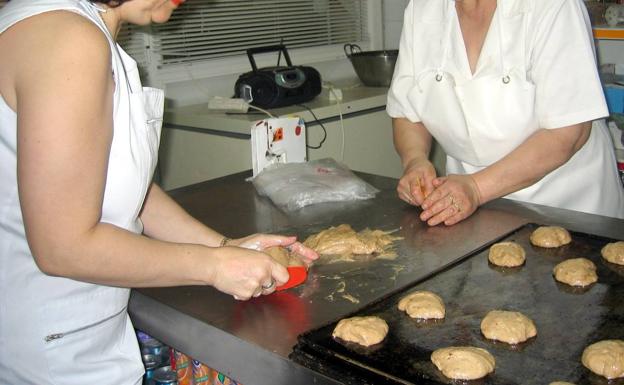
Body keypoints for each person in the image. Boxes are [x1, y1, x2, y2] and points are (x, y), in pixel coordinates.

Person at [0, 0, 318, 384]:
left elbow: (114, 184)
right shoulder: (68, 40)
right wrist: (214, 268)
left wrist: (224, 246)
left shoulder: (68, 25)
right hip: (54, 351)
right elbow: (62, 247)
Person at [387, 0, 624, 226]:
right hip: (468, 206)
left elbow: (568, 133)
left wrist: (477, 189)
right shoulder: (421, 10)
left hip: (566, 206)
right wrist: (415, 160)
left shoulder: (553, 6)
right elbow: (407, 111)